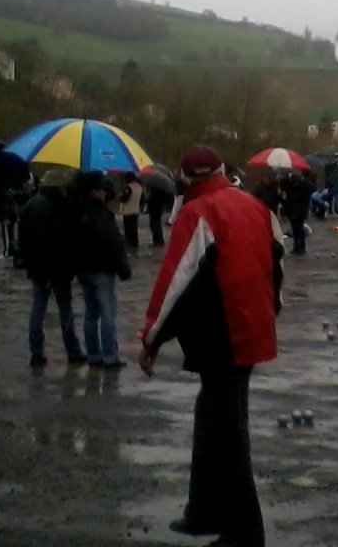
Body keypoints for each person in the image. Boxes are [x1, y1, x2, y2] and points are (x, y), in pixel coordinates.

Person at [138, 145, 282, 545]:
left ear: (185, 179)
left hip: (221, 335)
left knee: (227, 433)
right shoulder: (254, 206)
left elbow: (175, 283)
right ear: (222, 170)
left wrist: (151, 338)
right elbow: (278, 259)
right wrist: (272, 309)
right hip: (250, 328)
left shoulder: (197, 213)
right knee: (215, 420)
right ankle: (202, 509)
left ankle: (245, 532)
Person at [19, 170, 87, 367]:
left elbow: (23, 237)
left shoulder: (31, 205)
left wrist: (29, 262)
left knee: (37, 309)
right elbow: (67, 239)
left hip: (37, 268)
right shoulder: (62, 206)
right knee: (65, 309)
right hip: (59, 268)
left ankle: (36, 352)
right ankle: (73, 351)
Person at [74, 170, 132, 369]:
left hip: (84, 269)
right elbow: (112, 244)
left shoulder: (78, 211)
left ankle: (93, 354)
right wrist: (124, 268)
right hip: (103, 269)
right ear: (95, 191)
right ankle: (109, 355)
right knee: (107, 314)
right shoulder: (102, 214)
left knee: (91, 314)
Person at [280, 170, 315, 256]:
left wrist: (305, 180)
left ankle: (301, 246)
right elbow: (282, 184)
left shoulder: (304, 186)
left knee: (299, 227)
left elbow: (313, 188)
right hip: (291, 209)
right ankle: (297, 246)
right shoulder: (288, 185)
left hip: (301, 210)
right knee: (295, 228)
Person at [120, 173, 144, 249]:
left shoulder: (129, 187)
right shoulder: (139, 187)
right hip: (136, 210)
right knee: (134, 229)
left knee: (128, 229)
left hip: (128, 211)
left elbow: (125, 199)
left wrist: (120, 197)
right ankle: (135, 243)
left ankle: (130, 244)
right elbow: (142, 199)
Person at [145, 183, 171, 248]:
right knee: (157, 223)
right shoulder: (163, 190)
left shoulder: (154, 191)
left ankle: (156, 241)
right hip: (159, 207)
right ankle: (160, 240)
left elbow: (151, 199)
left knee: (154, 224)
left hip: (154, 207)